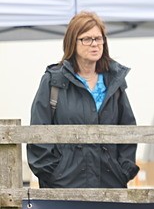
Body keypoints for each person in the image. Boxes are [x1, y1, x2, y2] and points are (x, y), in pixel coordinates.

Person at [28, 11, 139, 188]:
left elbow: (128, 130)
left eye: (98, 38)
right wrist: (54, 175)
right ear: (73, 42)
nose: (94, 44)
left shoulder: (114, 82)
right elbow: (38, 134)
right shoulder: (53, 81)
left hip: (109, 185)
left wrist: (123, 171)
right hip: (65, 186)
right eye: (87, 39)